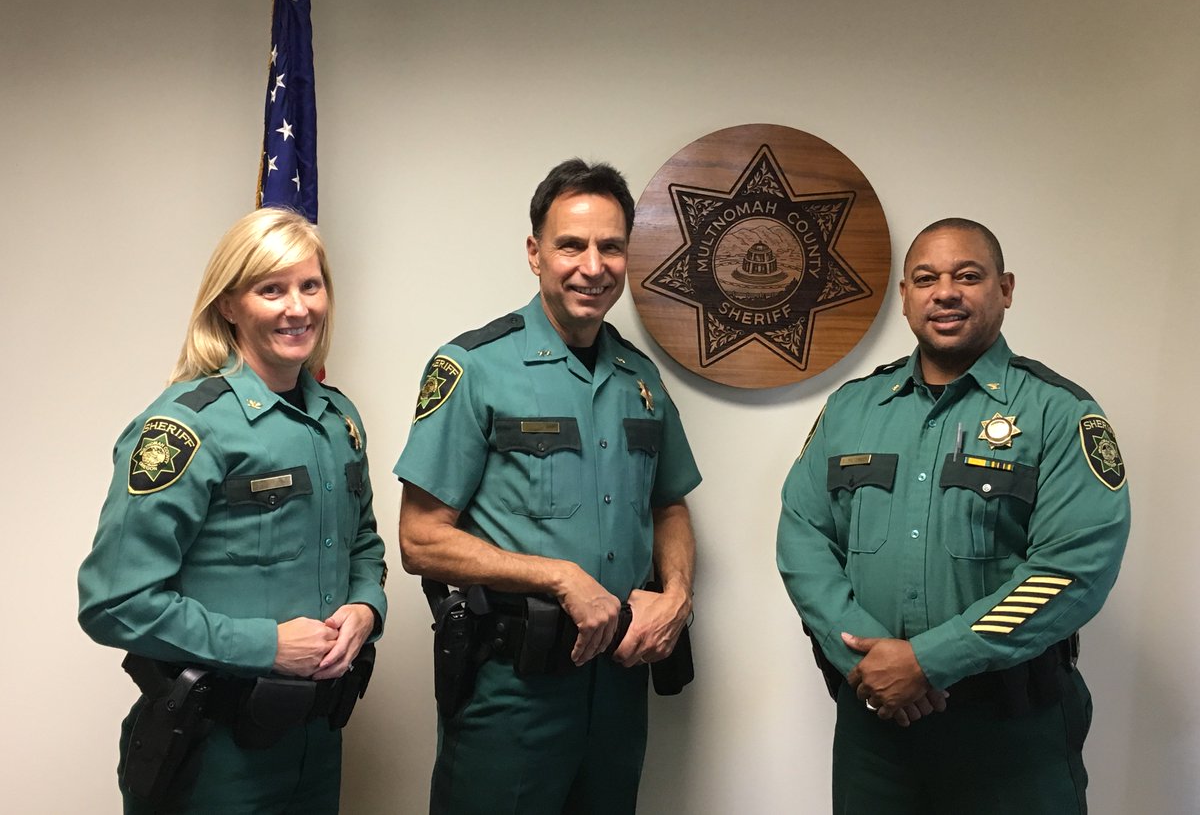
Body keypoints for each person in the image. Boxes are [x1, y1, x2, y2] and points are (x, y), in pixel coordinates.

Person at [776, 218, 1130, 814]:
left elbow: (1075, 567)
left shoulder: (1059, 412)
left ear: (1005, 289)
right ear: (905, 297)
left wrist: (929, 662)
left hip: (1012, 733)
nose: (945, 292)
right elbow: (803, 536)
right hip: (875, 730)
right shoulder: (852, 408)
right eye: (926, 279)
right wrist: (866, 660)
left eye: (967, 276)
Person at [394, 159, 701, 815]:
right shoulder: (474, 367)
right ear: (535, 253)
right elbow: (420, 541)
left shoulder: (640, 378)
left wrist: (676, 596)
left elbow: (669, 504)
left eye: (610, 247)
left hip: (618, 685)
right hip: (514, 687)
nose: (593, 266)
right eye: (571, 245)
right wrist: (559, 577)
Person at [78, 208, 388, 813]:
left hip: (317, 744)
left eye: (310, 285)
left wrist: (365, 606)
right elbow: (112, 603)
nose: (297, 308)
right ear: (228, 304)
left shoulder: (339, 420)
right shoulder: (186, 427)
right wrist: (265, 646)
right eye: (271, 289)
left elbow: (364, 544)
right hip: (213, 754)